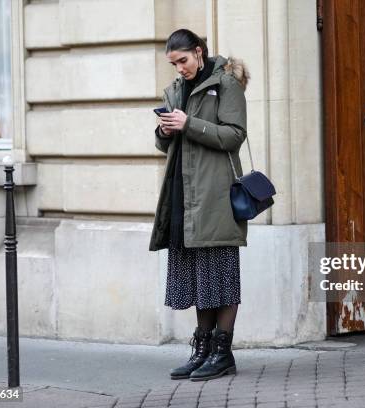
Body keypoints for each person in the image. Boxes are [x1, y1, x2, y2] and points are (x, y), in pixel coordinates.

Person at [148, 28, 250, 382]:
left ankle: (223, 353)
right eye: (173, 63)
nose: (179, 69)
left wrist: (189, 124)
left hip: (215, 195)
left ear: (199, 51)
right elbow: (166, 147)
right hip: (183, 194)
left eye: (183, 60)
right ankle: (202, 350)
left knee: (220, 276)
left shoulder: (226, 85)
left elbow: (234, 135)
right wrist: (165, 131)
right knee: (198, 278)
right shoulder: (176, 90)